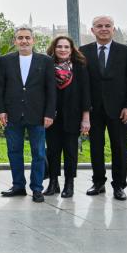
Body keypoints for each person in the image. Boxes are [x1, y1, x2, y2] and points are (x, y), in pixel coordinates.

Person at [80, 15, 127, 200]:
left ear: (113, 29)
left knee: (119, 147)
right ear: (92, 30)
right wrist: (85, 111)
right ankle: (98, 183)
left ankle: (119, 185)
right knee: (96, 147)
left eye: (107, 26)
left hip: (119, 110)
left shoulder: (126, 52)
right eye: (99, 26)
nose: (103, 29)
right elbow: (82, 84)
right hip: (94, 110)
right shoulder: (84, 52)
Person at [0, 26, 56, 202]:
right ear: (15, 41)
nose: (24, 41)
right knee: (14, 151)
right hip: (12, 114)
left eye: (27, 38)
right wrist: (1, 110)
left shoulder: (45, 61)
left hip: (37, 115)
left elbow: (51, 90)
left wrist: (49, 113)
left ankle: (37, 188)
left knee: (38, 153)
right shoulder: (5, 61)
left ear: (33, 40)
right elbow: (0, 88)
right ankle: (18, 186)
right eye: (20, 38)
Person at [45, 35, 91, 198]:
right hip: (52, 116)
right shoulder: (47, 64)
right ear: (54, 48)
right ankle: (53, 183)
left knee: (71, 151)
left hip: (73, 115)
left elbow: (86, 92)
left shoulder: (80, 66)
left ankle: (69, 184)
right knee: (52, 151)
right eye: (59, 46)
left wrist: (86, 117)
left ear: (71, 49)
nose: (62, 50)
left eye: (66, 47)